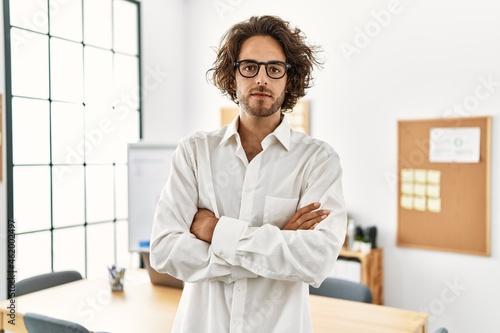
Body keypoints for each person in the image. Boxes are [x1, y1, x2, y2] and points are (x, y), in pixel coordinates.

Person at [150, 15, 347, 333]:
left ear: (289, 78)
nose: (262, 80)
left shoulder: (318, 160)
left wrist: (216, 232)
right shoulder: (195, 152)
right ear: (233, 75)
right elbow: (164, 250)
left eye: (274, 68)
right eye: (249, 67)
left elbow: (316, 259)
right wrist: (279, 243)